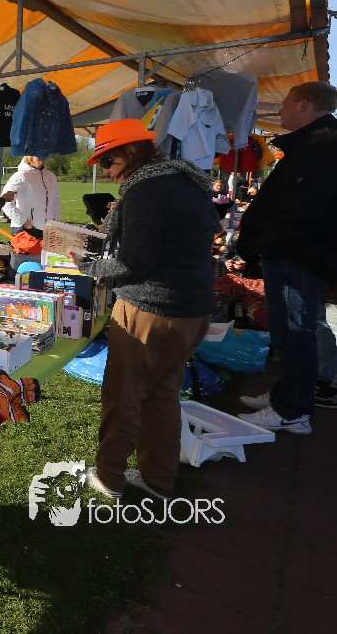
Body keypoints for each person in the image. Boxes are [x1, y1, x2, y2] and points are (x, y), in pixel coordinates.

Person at [68, 118, 214, 501]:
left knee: (124, 395)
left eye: (108, 161)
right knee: (162, 394)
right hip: (192, 309)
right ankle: (158, 480)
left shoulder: (144, 190)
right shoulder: (186, 180)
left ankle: (109, 477)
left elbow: (134, 262)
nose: (106, 171)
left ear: (130, 153)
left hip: (151, 310)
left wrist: (88, 267)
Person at [236, 81, 337, 434]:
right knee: (289, 333)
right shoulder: (310, 146)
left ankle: (292, 412)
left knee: (295, 333)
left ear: (304, 105)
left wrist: (266, 246)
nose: (280, 110)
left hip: (298, 257)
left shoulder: (321, 150)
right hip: (295, 254)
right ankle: (286, 396)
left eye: (285, 102)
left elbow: (300, 211)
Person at [1, 154, 60, 270]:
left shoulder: (51, 176)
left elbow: (55, 201)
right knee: (22, 267)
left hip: (46, 230)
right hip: (24, 230)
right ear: (29, 156)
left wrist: (56, 222)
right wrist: (25, 222)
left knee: (44, 266)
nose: (42, 158)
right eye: (38, 155)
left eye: (45, 155)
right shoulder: (20, 176)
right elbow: (6, 203)